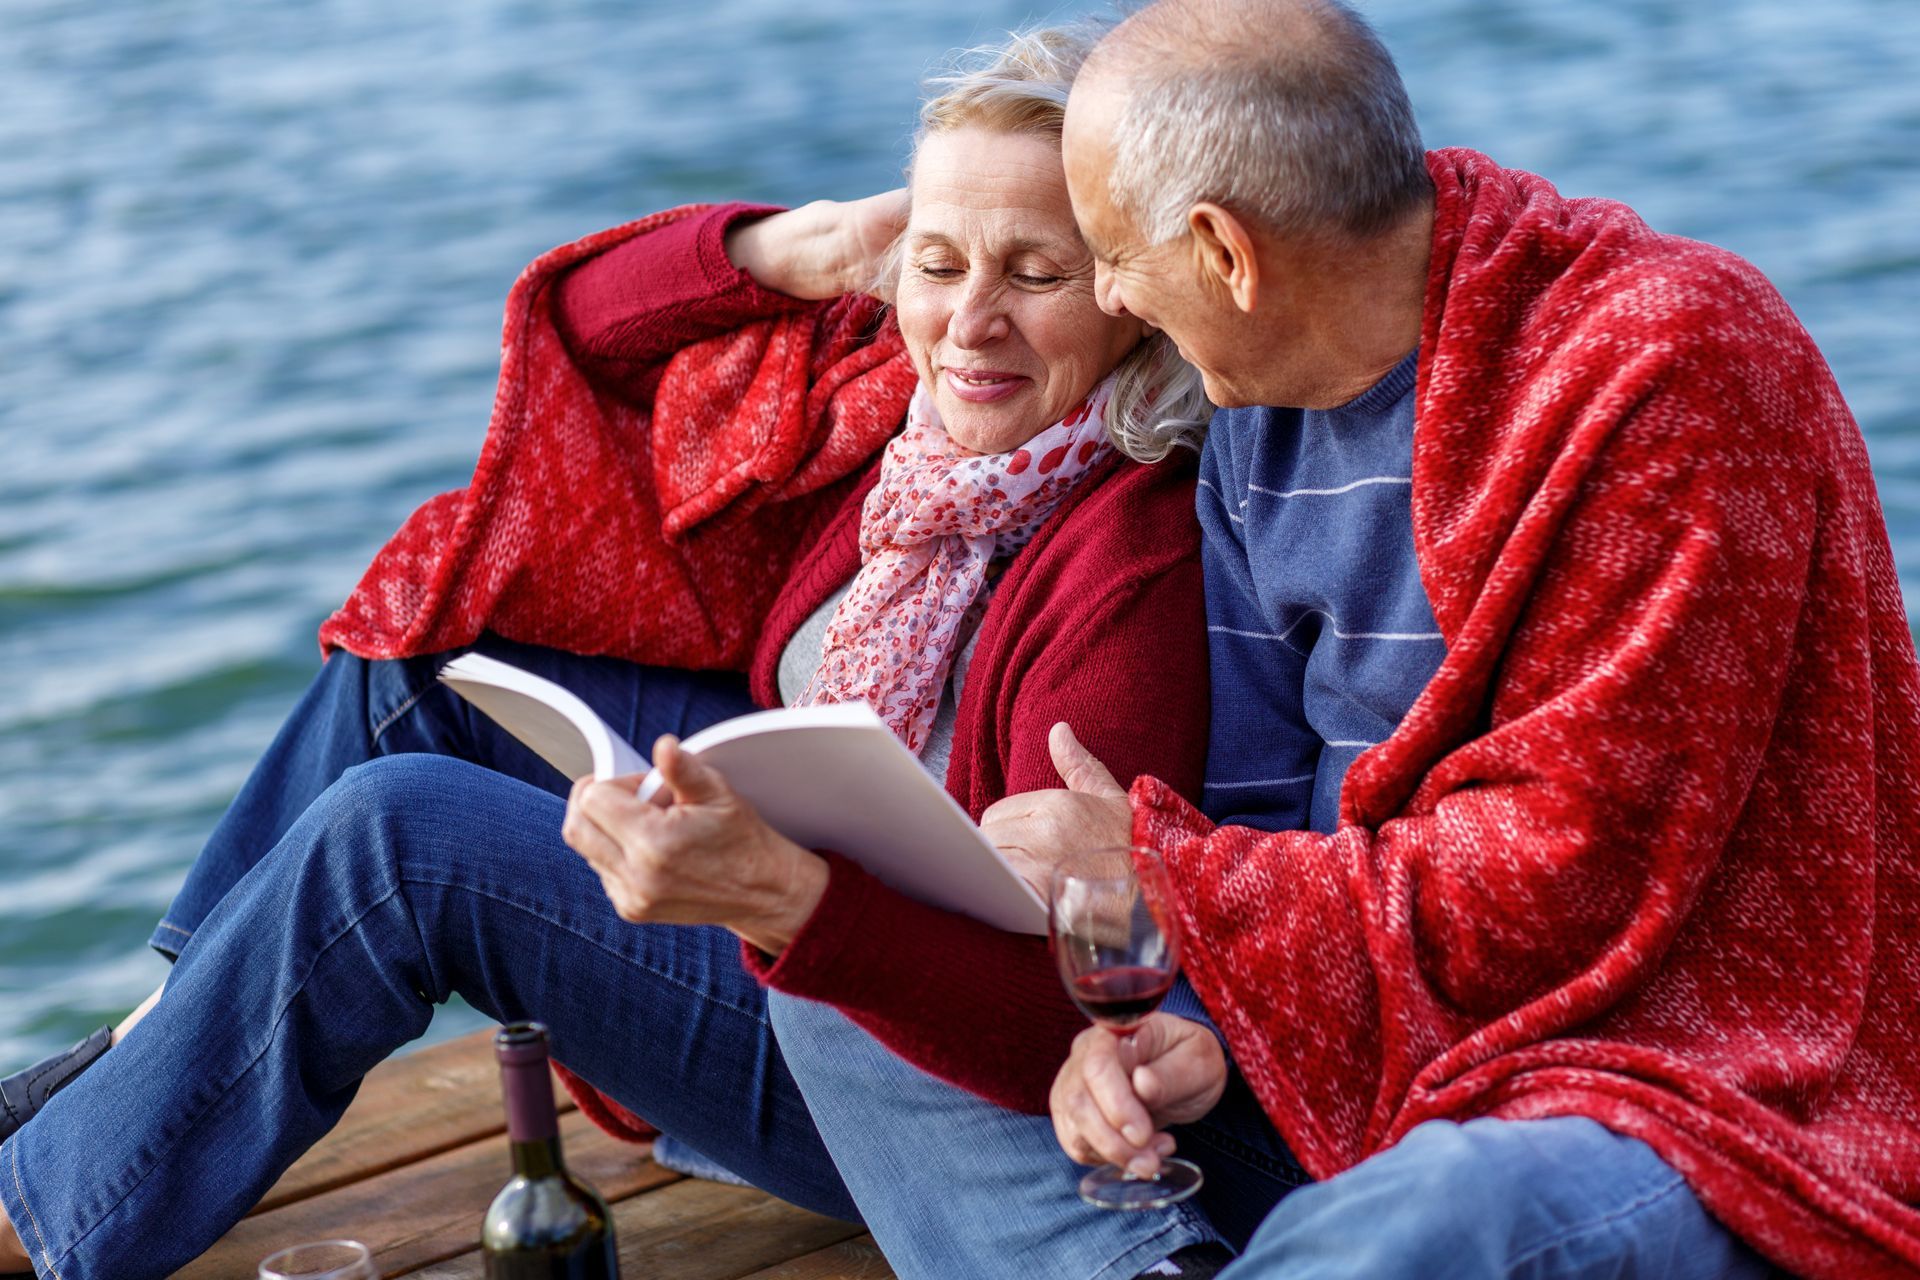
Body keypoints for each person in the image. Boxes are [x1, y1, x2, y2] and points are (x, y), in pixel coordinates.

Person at [0, 27, 1223, 1278]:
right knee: (419, 665)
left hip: (884, 1060)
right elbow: (580, 324)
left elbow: (1069, 1025)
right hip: (789, 905)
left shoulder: (1127, 558)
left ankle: (47, 1219)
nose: (972, 318)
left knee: (401, 838)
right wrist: (806, 248)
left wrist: (769, 889)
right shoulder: (913, 422)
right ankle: (133, 1059)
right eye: (941, 262)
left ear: (1130, 290)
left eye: (1036, 272)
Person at [762, 1, 1920, 1278]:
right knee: (842, 973)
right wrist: (1181, 1023)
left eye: (1105, 254)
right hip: (1358, 1035)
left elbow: (1566, 879)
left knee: (1454, 1210)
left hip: (1672, 1079)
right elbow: (1260, 811)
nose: (1105, 298)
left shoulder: (1663, 364)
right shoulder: (1254, 425)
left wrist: (1169, 875)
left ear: (1224, 252)